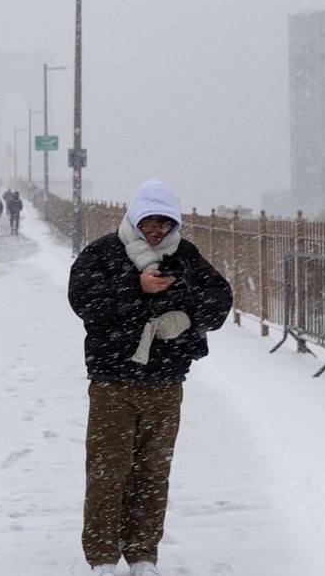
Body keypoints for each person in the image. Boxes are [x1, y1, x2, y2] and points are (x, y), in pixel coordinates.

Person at [68, 178, 233, 576]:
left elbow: (219, 300)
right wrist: (135, 286)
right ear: (135, 219)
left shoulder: (185, 256)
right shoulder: (104, 252)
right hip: (113, 381)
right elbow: (85, 302)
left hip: (166, 382)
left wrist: (185, 317)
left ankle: (143, 553)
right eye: (149, 222)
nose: (157, 231)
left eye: (164, 223)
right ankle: (103, 557)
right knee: (108, 470)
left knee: (153, 472)